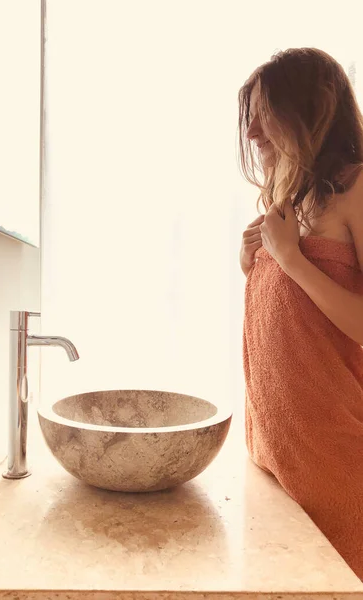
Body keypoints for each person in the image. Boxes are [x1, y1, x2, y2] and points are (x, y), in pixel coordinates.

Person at [238, 47, 363, 580]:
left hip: (337, 463)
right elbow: (295, 327)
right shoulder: (292, 199)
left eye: (263, 115)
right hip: (279, 461)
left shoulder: (358, 186)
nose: (251, 134)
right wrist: (257, 264)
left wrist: (288, 258)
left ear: (308, 110)